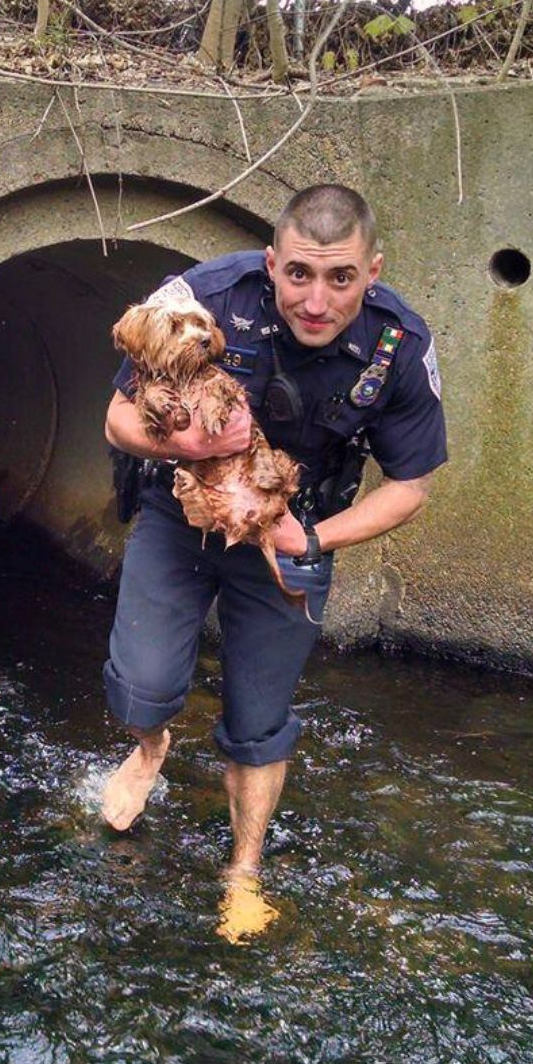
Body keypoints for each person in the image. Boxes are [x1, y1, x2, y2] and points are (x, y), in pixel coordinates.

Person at [99, 185, 447, 941]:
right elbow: (118, 418)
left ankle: (244, 869)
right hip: (181, 507)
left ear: (372, 271)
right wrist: (186, 445)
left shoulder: (400, 347)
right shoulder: (205, 297)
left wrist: (313, 541)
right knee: (144, 686)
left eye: (341, 278)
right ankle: (150, 745)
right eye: (298, 275)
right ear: (270, 263)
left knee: (259, 721)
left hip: (293, 527)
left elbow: (411, 487)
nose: (316, 300)